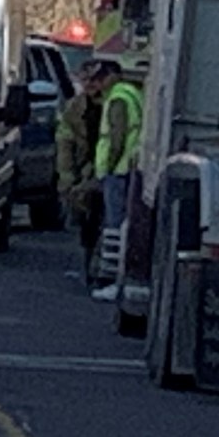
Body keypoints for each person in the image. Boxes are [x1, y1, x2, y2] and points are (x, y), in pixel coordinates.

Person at [89, 59, 144, 302]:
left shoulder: (118, 97)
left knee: (114, 227)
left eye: (102, 78)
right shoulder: (132, 92)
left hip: (118, 171)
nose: (98, 83)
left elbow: (116, 137)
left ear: (113, 75)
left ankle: (110, 279)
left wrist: (108, 166)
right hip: (128, 167)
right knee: (121, 225)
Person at [57, 59, 112, 286]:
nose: (90, 84)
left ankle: (103, 267)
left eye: (94, 80)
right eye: (85, 79)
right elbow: (64, 142)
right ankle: (89, 266)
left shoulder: (113, 104)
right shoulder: (74, 108)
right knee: (88, 224)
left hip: (107, 169)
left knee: (107, 221)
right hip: (85, 172)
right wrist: (67, 176)